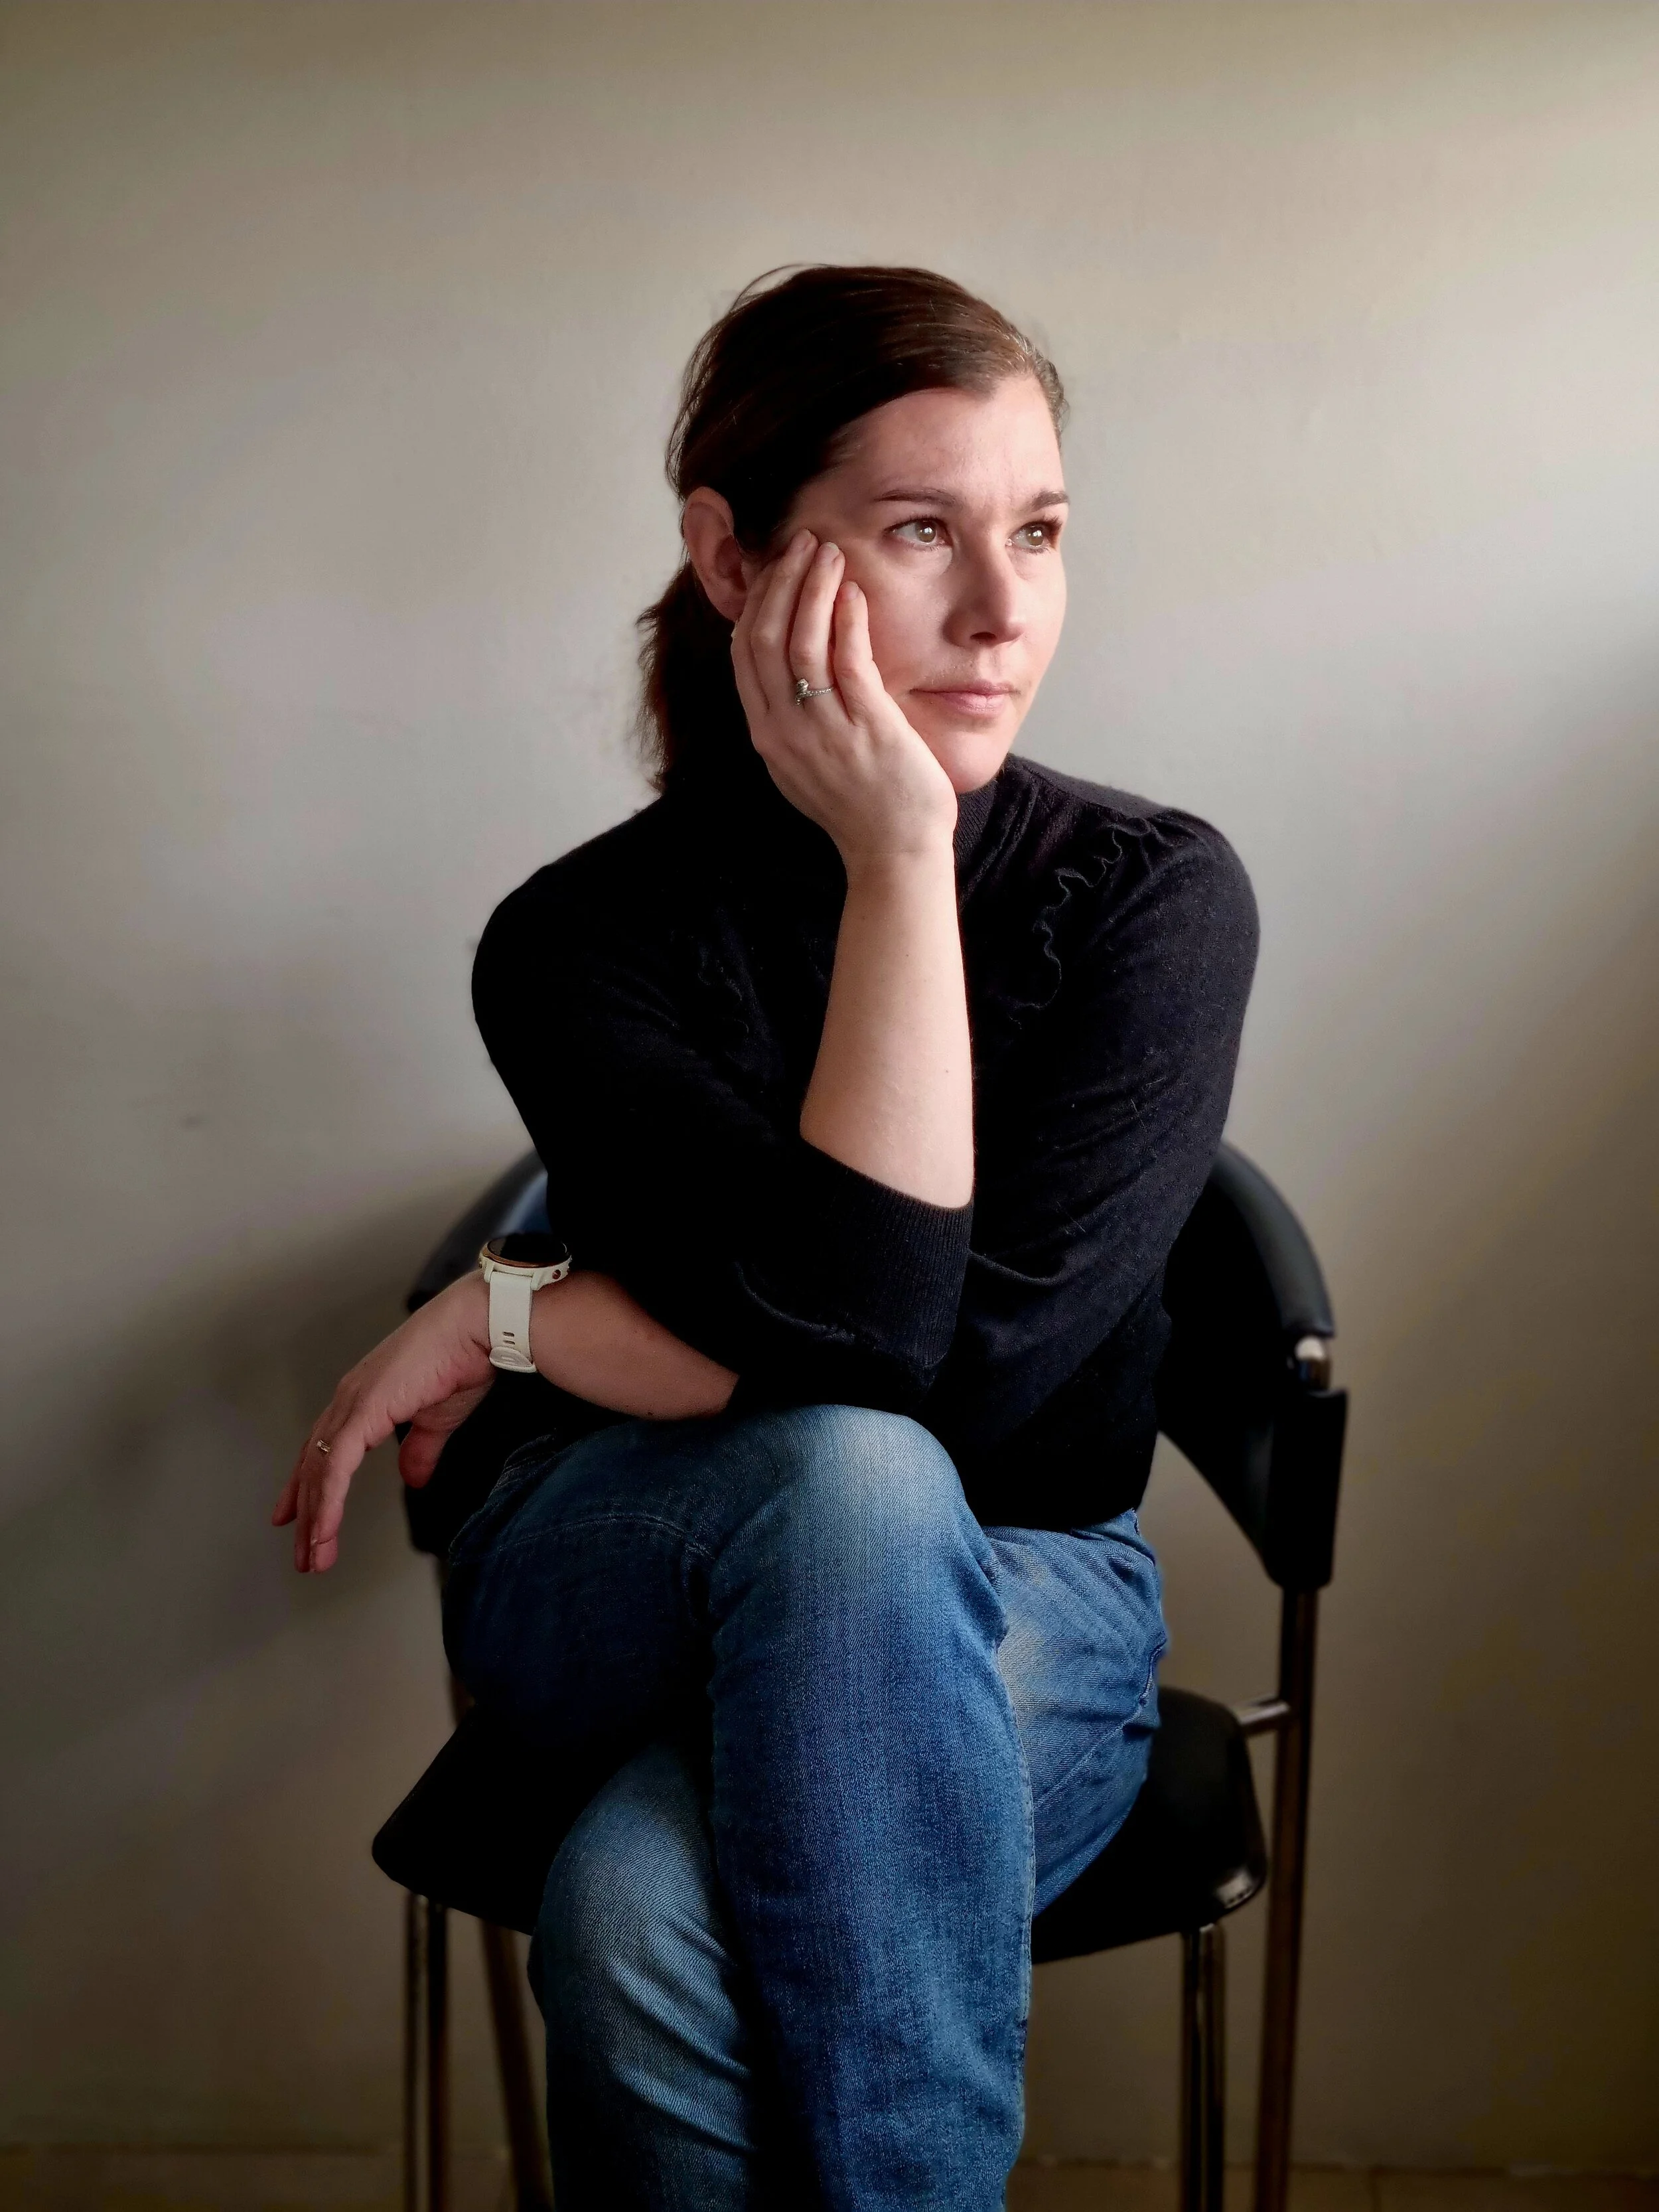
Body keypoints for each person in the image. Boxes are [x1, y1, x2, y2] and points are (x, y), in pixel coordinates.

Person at [275, 264, 1258, 2212]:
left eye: (1037, 533)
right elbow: (869, 1356)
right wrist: (901, 862)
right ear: (730, 559)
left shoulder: (1149, 898)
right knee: (841, 1472)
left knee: (639, 1917)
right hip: (625, 1558)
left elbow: (963, 1392)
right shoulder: (577, 943)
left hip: (1030, 1585)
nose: (1002, 614)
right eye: (921, 532)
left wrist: (523, 1318)